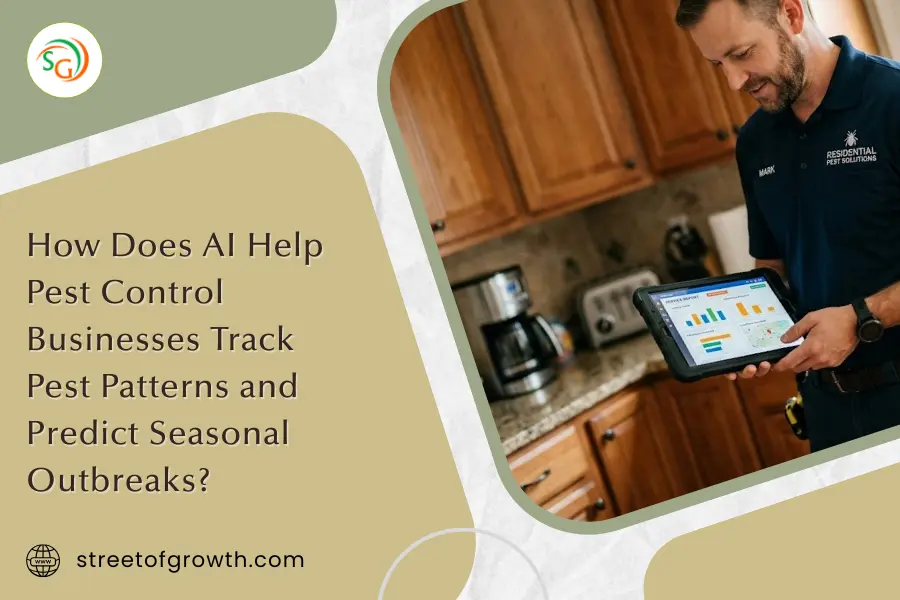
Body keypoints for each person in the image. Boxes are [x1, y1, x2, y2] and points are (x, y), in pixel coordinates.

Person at [675, 0, 900, 451]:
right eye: (717, 64)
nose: (734, 81)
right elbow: (772, 266)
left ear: (791, 15)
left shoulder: (891, 99)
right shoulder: (755, 142)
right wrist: (753, 337)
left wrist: (860, 319)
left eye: (741, 54)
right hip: (826, 411)